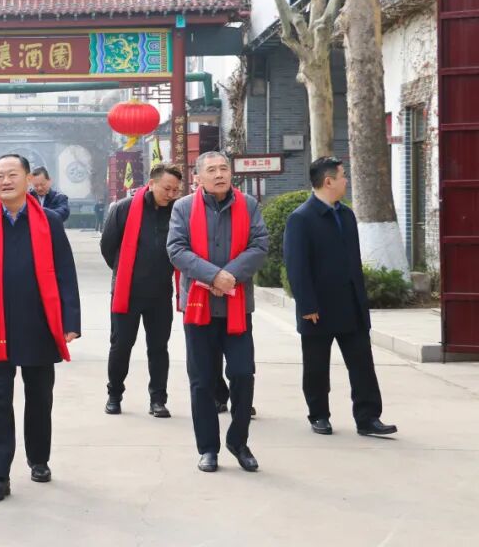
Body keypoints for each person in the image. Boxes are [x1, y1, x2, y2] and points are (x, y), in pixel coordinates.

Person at [0, 154, 81, 502]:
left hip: (39, 323)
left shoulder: (49, 221)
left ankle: (39, 459)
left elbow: (65, 271)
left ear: (28, 179)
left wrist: (70, 320)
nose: (6, 181)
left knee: (39, 396)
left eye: (12, 174)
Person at [167, 151, 268, 474]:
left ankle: (238, 441)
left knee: (242, 373)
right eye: (211, 170)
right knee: (202, 380)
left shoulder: (248, 205)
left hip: (237, 306)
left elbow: (259, 245)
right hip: (200, 308)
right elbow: (176, 249)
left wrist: (229, 276)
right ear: (198, 177)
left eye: (224, 168)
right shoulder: (183, 208)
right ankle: (208, 448)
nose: (220, 174)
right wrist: (213, 276)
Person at [284, 157, 398, 438]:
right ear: (328, 181)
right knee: (316, 367)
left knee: (362, 364)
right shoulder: (301, 218)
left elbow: (353, 262)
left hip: (350, 304)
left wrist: (361, 300)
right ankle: (319, 415)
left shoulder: (346, 215)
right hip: (318, 308)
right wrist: (307, 304)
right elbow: (296, 266)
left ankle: (368, 417)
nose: (346, 180)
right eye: (343, 175)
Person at [100, 163, 183, 419]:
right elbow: (108, 246)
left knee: (158, 348)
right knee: (121, 345)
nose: (171, 194)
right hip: (127, 291)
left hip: (160, 292)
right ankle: (114, 395)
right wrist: (125, 272)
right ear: (152, 183)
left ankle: (158, 399)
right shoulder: (124, 208)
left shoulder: (177, 211)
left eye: (176, 190)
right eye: (167, 188)